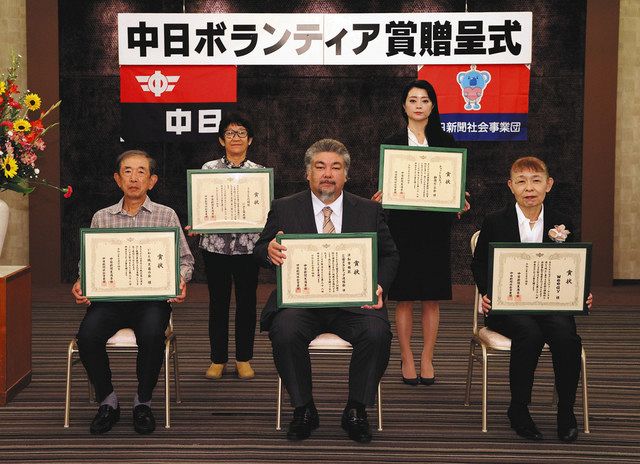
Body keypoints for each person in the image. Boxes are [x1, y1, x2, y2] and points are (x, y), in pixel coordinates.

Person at [254, 138, 399, 443]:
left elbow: (389, 255)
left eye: (336, 167)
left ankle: (356, 408)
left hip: (354, 303)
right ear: (308, 173)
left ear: (346, 174)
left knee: (376, 333)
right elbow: (260, 248)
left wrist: (380, 285)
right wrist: (269, 250)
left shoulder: (369, 210)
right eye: (320, 167)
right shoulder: (284, 207)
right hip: (302, 303)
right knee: (284, 330)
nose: (328, 174)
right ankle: (303, 408)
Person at [71, 149, 194, 435]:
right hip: (109, 301)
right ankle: (108, 400)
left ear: (152, 181)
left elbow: (185, 260)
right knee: (87, 337)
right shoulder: (102, 217)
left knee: (152, 335)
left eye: (141, 172)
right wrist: (81, 281)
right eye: (127, 171)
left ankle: (143, 402)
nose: (134, 178)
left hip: (151, 301)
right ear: (118, 179)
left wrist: (180, 279)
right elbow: (88, 262)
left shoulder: (166, 215)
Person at [471, 156, 593, 442]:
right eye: (521, 181)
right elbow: (479, 264)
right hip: (507, 305)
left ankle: (566, 411)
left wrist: (582, 292)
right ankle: (519, 409)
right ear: (510, 186)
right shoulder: (495, 221)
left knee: (566, 336)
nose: (529, 188)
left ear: (548, 185)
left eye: (536, 181)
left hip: (550, 304)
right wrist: (487, 293)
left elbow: (574, 263)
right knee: (529, 333)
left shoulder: (562, 221)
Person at [372, 79, 469, 385]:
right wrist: (383, 195)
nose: (418, 106)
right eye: (413, 100)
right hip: (402, 228)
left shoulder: (446, 142)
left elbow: (454, 183)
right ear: (404, 106)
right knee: (404, 298)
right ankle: (407, 356)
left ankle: (427, 356)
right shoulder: (392, 142)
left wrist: (459, 199)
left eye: (424, 100)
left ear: (432, 105)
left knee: (431, 297)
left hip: (435, 228)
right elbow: (388, 184)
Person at [197, 114, 263, 381]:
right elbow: (201, 203)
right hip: (215, 246)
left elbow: (265, 210)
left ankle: (243, 359)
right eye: (230, 133)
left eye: (241, 132)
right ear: (221, 140)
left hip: (248, 247)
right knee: (218, 303)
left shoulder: (259, 173)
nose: (236, 137)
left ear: (250, 140)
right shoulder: (208, 169)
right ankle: (218, 359)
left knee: (247, 303)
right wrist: (199, 219)